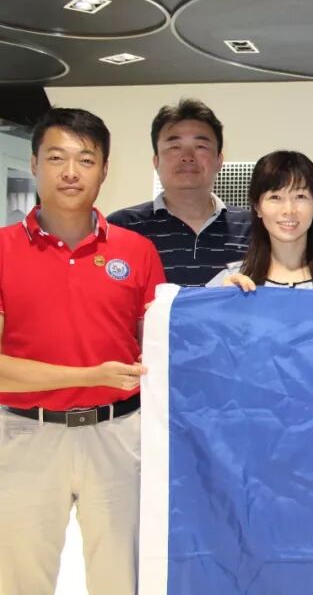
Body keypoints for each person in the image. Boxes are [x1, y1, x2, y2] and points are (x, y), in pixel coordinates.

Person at [0, 108, 165, 595]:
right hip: (25, 434)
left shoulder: (137, 251)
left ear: (104, 170)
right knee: (19, 579)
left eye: (86, 160)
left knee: (122, 579)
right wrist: (89, 374)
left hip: (118, 435)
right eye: (57, 158)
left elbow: (159, 352)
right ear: (34, 164)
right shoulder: (2, 249)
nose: (71, 172)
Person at [108, 98, 250, 286]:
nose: (187, 157)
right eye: (174, 147)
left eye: (200, 147)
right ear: (156, 161)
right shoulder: (120, 227)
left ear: (219, 160)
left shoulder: (254, 228)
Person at [207, 151, 313, 297]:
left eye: (300, 197)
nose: (289, 210)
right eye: (275, 197)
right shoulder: (230, 283)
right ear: (257, 207)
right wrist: (222, 305)